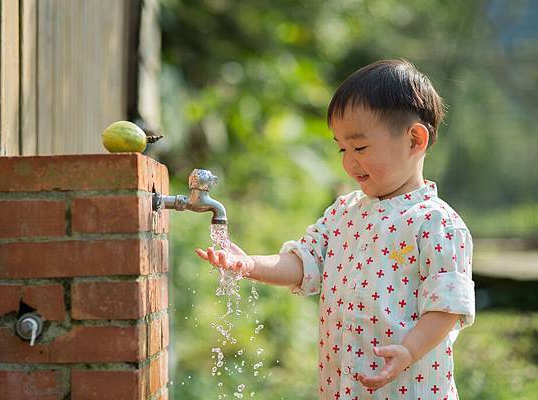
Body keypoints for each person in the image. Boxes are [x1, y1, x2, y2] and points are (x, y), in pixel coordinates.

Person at [196, 59, 475, 399]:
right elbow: (303, 263)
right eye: (342, 148)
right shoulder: (344, 212)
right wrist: (250, 264)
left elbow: (446, 306)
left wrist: (409, 351)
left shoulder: (436, 223)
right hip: (341, 388)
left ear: (415, 140)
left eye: (359, 147)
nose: (348, 161)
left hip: (408, 389)